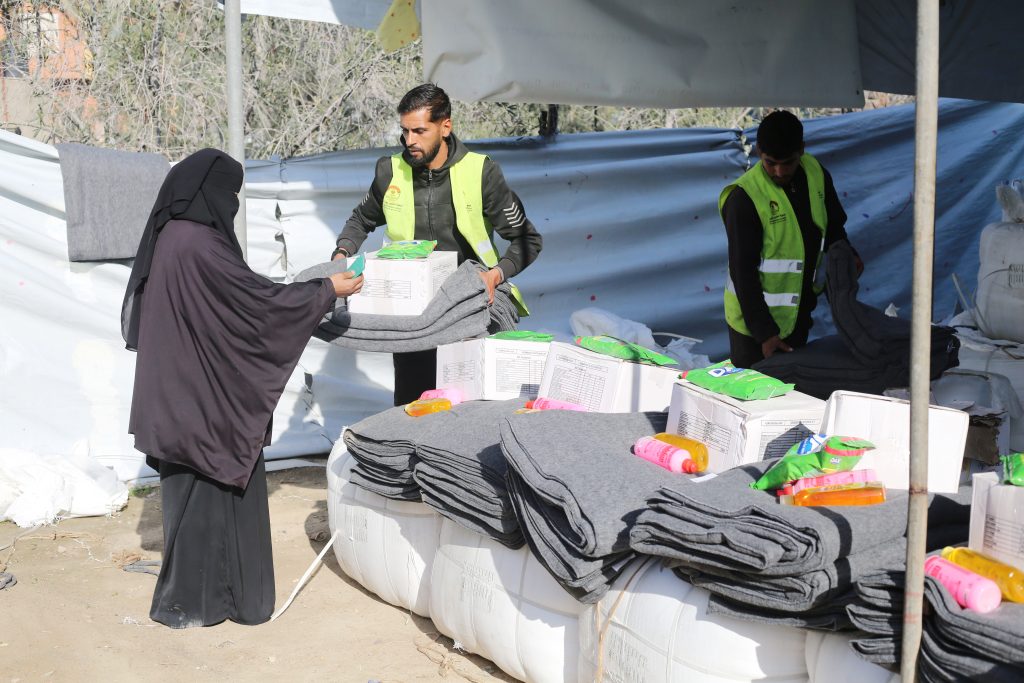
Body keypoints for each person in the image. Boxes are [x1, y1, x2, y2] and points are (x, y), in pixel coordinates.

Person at [122, 148, 363, 628]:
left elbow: (231, 302)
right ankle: (224, 602)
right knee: (216, 492)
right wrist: (324, 292)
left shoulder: (173, 235)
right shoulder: (199, 244)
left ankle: (193, 602)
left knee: (190, 501)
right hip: (207, 403)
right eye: (229, 193)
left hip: (181, 396)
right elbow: (255, 304)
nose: (230, 204)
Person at [332, 83, 543, 405]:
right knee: (413, 408)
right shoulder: (389, 171)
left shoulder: (481, 172)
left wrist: (494, 276)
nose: (410, 141)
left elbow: (527, 240)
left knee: (466, 408)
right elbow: (361, 220)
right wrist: (341, 254)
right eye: (405, 131)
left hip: (468, 310)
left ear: (446, 126)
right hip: (412, 315)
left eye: (419, 131)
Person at [720, 110, 859, 369]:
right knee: (756, 396)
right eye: (771, 162)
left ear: (802, 150)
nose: (780, 171)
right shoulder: (744, 199)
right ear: (759, 151)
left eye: (789, 162)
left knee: (791, 395)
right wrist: (765, 333)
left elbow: (833, 226)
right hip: (753, 330)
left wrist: (847, 253)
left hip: (797, 317)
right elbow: (742, 273)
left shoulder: (816, 174)